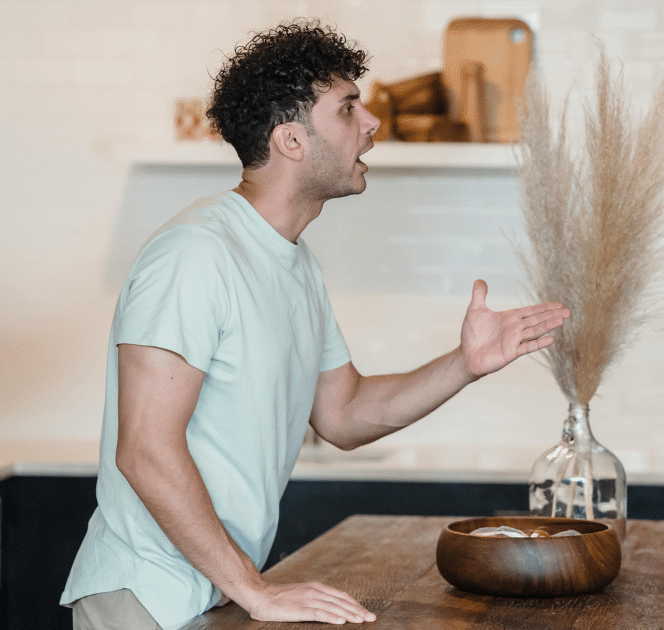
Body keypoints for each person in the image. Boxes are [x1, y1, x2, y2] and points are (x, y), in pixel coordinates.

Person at [61, 20, 570, 630]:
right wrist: (257, 591)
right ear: (291, 141)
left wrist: (465, 364)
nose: (372, 122)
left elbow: (344, 414)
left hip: (214, 591)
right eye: (348, 108)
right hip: (146, 596)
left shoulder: (294, 263)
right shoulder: (194, 255)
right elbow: (144, 450)